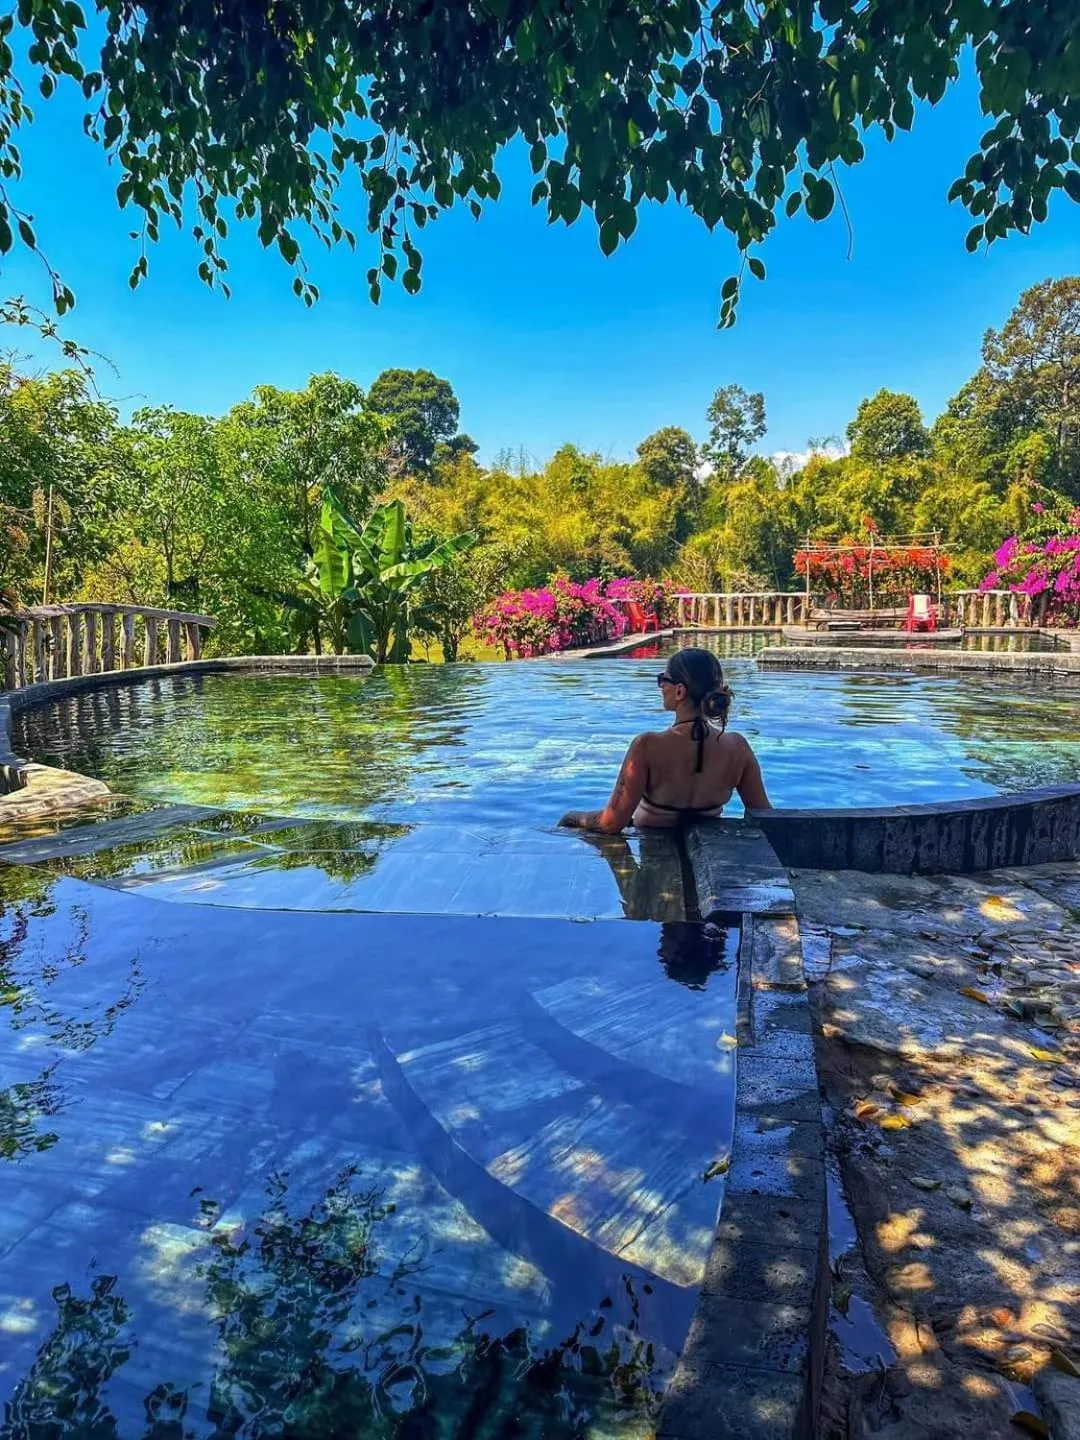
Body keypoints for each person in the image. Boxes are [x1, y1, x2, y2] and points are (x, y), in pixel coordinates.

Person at [558, 646, 769, 833]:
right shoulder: (737, 747)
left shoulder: (647, 746)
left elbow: (612, 822)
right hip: (708, 848)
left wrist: (575, 818)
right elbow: (765, 816)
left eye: (663, 679)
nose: (660, 686)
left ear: (679, 691)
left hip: (652, 854)